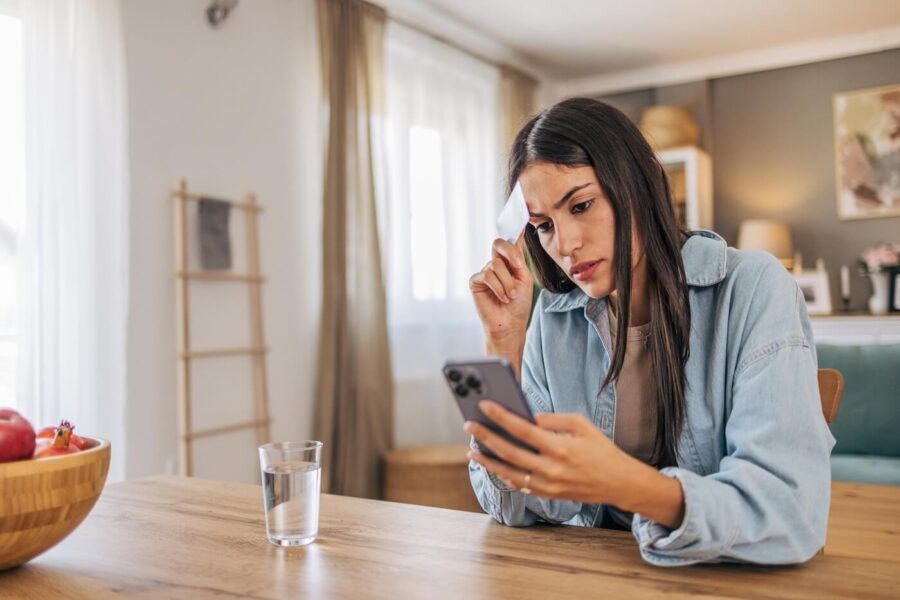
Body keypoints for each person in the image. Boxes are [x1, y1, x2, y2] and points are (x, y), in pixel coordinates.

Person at [465, 97, 835, 567]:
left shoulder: (754, 289)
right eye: (543, 226)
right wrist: (503, 345)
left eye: (582, 205)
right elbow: (517, 506)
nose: (566, 244)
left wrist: (625, 484)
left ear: (644, 181)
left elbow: (789, 511)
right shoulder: (553, 318)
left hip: (718, 579)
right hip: (600, 576)